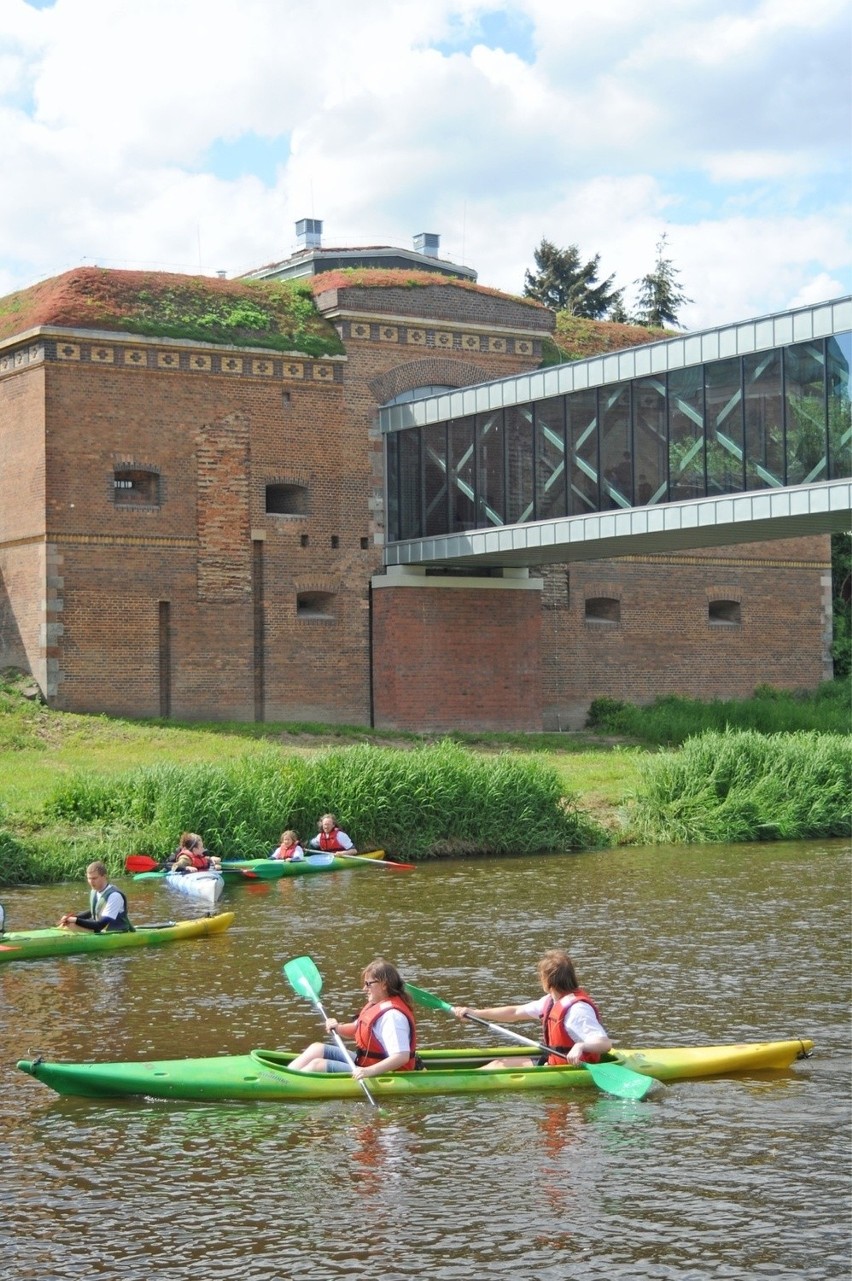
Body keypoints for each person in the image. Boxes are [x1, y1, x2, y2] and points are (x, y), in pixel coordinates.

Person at [452, 949, 611, 1069]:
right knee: (497, 1064)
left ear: (547, 981)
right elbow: (514, 1013)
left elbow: (604, 1044)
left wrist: (580, 1046)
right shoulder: (550, 1001)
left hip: (575, 1067)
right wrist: (475, 1013)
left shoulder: (577, 1010)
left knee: (495, 1067)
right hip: (554, 1062)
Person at [288, 958, 417, 1080]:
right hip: (365, 1064)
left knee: (317, 1065)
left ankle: (286, 1083)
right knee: (317, 1048)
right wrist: (338, 1028)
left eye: (368, 984)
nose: (364, 989)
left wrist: (368, 1071)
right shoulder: (377, 1005)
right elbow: (357, 1028)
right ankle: (284, 1076)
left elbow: (401, 1057)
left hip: (383, 1072)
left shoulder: (392, 1017)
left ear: (384, 985)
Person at [58, 861, 134, 933]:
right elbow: (94, 911)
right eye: (89, 878)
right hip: (101, 931)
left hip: (117, 932)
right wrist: (73, 917)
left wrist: (76, 920)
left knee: (71, 925)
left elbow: (100, 925)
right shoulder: (94, 891)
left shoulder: (114, 896)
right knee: (67, 924)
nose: (91, 882)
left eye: (94, 878)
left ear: (104, 876)